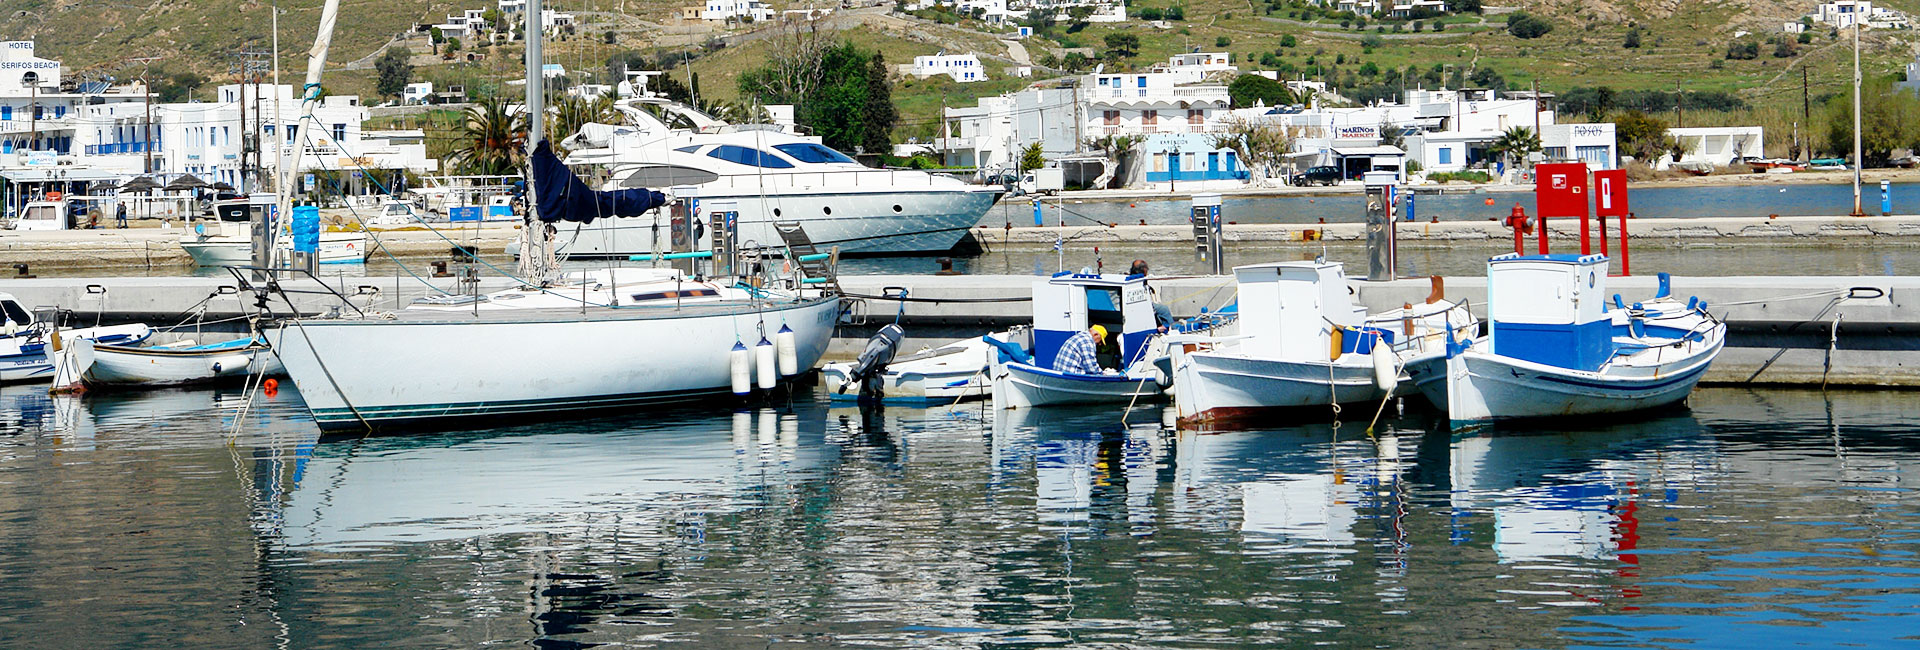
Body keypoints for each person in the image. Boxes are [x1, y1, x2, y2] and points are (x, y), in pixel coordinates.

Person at [1129, 259, 1174, 332]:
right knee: (1164, 309)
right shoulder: (1139, 281)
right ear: (1144, 270)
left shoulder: (1131, 278)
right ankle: (1171, 329)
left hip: (1133, 305)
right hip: (1139, 306)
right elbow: (1147, 304)